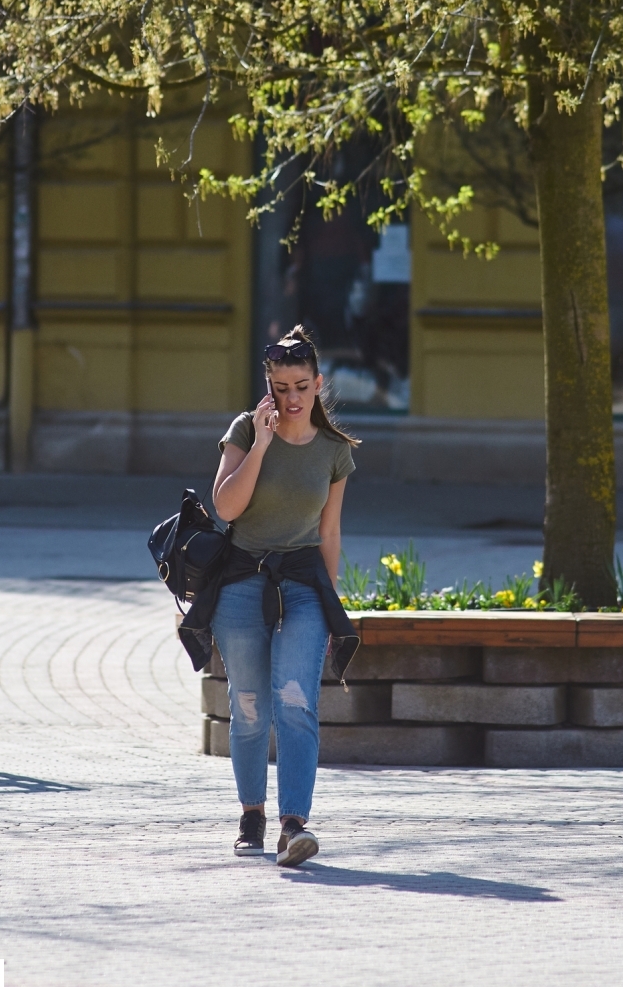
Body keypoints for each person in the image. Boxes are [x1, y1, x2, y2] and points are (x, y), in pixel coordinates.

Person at [205, 326, 360, 865]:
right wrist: (262, 444)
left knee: (296, 702)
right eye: (280, 387)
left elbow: (331, 532)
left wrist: (329, 606)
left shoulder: (335, 452)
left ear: (318, 384)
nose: (291, 399)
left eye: (301, 386)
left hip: (302, 584)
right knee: (248, 707)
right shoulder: (246, 431)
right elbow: (225, 508)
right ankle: (252, 812)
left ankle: (295, 824)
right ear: (267, 387)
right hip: (242, 579)